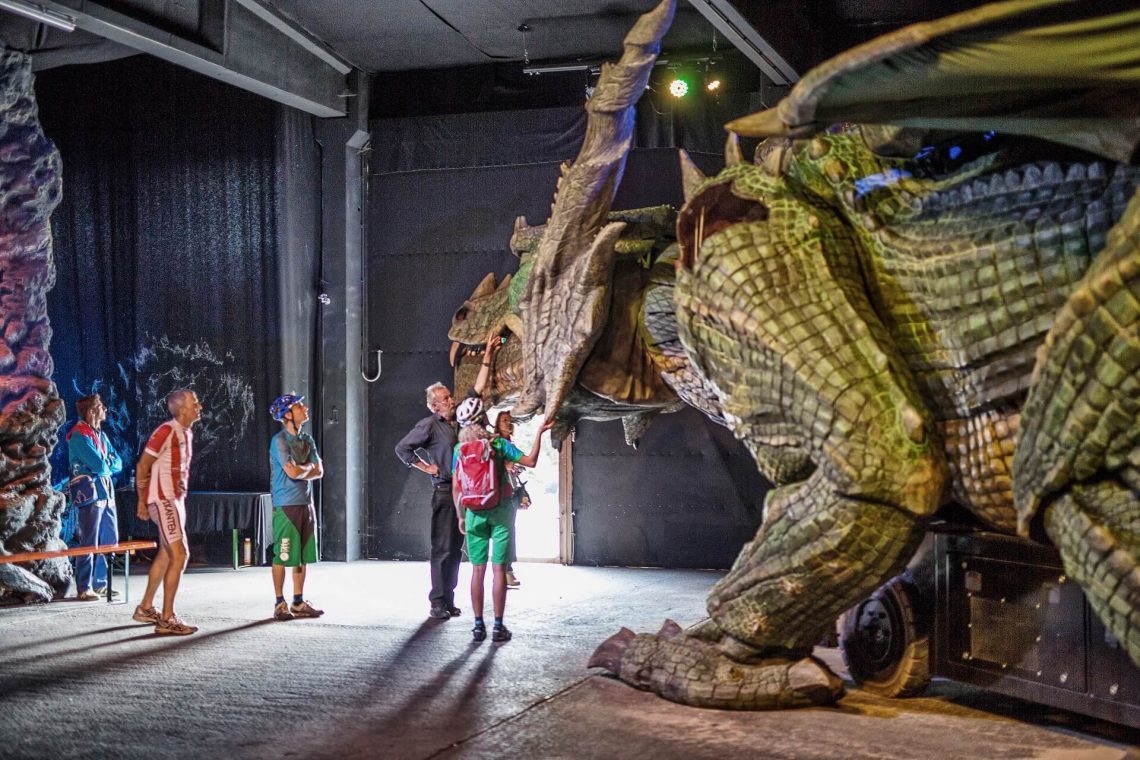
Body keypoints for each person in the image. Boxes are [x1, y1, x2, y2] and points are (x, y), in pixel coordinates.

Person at [395, 331, 499, 620]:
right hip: (444, 492)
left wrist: (488, 356)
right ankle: (437, 602)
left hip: (466, 493)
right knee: (441, 548)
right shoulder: (429, 425)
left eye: (450, 396)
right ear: (435, 405)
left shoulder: (462, 419)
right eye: (444, 398)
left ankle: (449, 600)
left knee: (456, 549)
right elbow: (403, 449)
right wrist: (426, 467)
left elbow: (476, 390)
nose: (451, 400)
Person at [453, 397, 550, 643]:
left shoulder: (458, 450)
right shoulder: (497, 444)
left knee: (477, 570)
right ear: (483, 420)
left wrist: (461, 516)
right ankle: (498, 626)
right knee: (498, 570)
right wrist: (539, 432)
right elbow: (531, 461)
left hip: (474, 514)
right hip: (501, 512)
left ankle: (477, 627)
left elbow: (456, 487)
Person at [131, 389, 202, 635]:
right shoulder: (166, 431)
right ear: (181, 408)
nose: (199, 406)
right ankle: (167, 618)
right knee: (179, 554)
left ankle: (146, 607)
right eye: (194, 403)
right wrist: (142, 501)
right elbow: (142, 467)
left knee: (166, 553)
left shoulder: (186, 432)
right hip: (163, 500)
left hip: (175, 500)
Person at [267, 393, 324, 621]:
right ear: (287, 414)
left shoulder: (307, 440)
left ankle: (298, 602)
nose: (305, 408)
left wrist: (304, 469)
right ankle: (279, 603)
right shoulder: (279, 441)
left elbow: (320, 471)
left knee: (300, 556)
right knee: (283, 554)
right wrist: (307, 469)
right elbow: (290, 472)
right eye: (299, 405)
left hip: (305, 503)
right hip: (286, 504)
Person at [68, 393, 123, 601]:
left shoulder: (100, 435)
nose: (105, 410)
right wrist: (105, 463)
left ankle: (101, 583)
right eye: (101, 406)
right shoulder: (79, 435)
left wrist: (105, 464)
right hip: (90, 494)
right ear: (92, 411)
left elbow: (117, 462)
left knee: (109, 539)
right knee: (89, 540)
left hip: (106, 493)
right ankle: (84, 587)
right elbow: (100, 464)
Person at [493, 410, 527, 589]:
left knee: (509, 533)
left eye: (510, 420)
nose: (508, 423)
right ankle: (505, 572)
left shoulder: (509, 444)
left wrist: (515, 468)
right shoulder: (497, 443)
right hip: (500, 495)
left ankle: (506, 570)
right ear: (497, 424)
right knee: (504, 534)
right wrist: (506, 465)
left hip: (509, 493)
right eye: (504, 420)